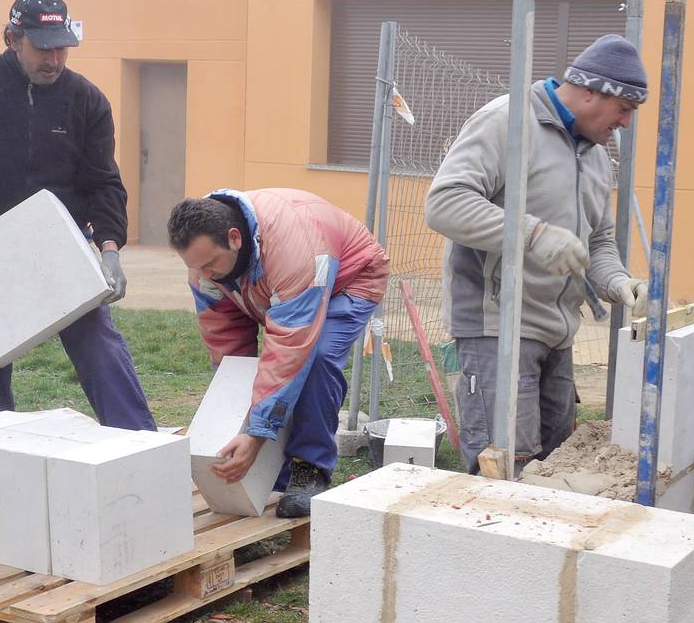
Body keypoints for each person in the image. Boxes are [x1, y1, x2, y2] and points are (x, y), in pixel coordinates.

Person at [0, 0, 155, 431]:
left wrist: (110, 249)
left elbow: (103, 181)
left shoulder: (87, 100)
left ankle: (138, 444)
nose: (54, 60)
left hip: (60, 246)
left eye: (61, 47)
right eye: (43, 48)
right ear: (11, 38)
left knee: (99, 344)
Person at [426, 33, 650, 474]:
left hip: (557, 333)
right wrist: (533, 234)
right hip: (497, 328)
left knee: (553, 466)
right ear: (590, 92)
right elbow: (445, 203)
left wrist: (618, 282)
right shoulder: (507, 122)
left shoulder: (596, 154)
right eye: (624, 109)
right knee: (507, 468)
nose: (625, 123)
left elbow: (598, 239)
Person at [168, 189, 389, 518]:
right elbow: (225, 342)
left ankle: (309, 468)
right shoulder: (205, 268)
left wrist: (255, 436)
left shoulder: (295, 249)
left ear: (234, 238)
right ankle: (275, 473)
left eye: (210, 264)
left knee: (316, 359)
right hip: (272, 288)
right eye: (196, 267)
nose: (204, 275)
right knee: (252, 372)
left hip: (347, 279)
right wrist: (236, 418)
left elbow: (290, 347)